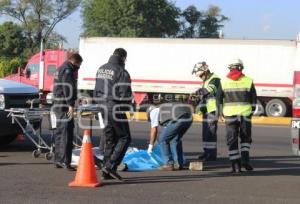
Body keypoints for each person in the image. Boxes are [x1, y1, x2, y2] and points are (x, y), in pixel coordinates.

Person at [93, 48, 132, 180]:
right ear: (123, 57)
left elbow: (96, 89)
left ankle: (106, 171)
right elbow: (124, 93)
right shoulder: (121, 71)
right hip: (115, 107)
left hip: (101, 106)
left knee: (110, 139)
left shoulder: (101, 68)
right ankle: (110, 165)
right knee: (124, 137)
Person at [217, 58, 257, 173]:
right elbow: (254, 98)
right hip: (245, 114)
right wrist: (251, 110)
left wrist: (220, 113)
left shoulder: (224, 81)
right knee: (245, 138)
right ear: (241, 67)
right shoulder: (248, 80)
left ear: (230, 68)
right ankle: (245, 159)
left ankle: (236, 166)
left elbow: (218, 99)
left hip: (230, 115)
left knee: (232, 140)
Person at [52, 53, 83, 171]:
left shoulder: (60, 68)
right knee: (66, 133)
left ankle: (58, 159)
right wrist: (71, 105)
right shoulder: (67, 71)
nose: (79, 67)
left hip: (57, 104)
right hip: (64, 105)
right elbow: (68, 88)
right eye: (79, 65)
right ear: (74, 62)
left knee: (60, 132)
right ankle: (65, 161)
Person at [147, 102, 193, 170]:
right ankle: (179, 164)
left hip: (178, 118)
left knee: (162, 139)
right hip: (189, 118)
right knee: (175, 139)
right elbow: (169, 131)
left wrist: (150, 146)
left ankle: (168, 164)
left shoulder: (153, 112)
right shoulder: (165, 109)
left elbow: (154, 130)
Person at [192, 61, 220, 161]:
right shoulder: (206, 80)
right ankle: (206, 152)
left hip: (212, 110)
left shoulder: (215, 79)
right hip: (206, 110)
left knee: (210, 132)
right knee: (205, 132)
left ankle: (211, 155)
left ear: (206, 71)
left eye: (201, 75)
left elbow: (210, 90)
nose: (200, 77)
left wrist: (198, 91)